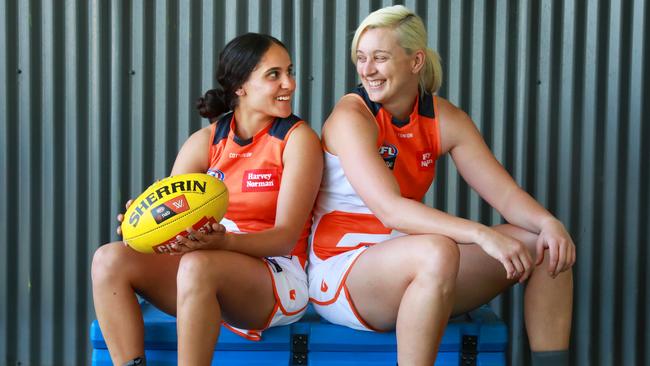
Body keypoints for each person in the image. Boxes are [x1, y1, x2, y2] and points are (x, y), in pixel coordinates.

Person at [307, 5, 575, 366]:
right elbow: (390, 209)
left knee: (546, 247)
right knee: (437, 250)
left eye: (380, 58)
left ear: (415, 61)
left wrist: (548, 223)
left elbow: (506, 194)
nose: (367, 69)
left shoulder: (444, 119)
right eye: (361, 57)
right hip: (343, 273)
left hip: (417, 264)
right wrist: (481, 234)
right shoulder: (352, 117)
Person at [91, 32, 322, 366]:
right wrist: (143, 223)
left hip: (276, 276)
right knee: (108, 259)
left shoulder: (297, 140)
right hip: (203, 263)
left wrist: (223, 243)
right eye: (274, 75)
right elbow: (171, 220)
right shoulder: (206, 142)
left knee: (199, 266)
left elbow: (285, 240)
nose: (290, 83)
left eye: (290, 71)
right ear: (241, 86)